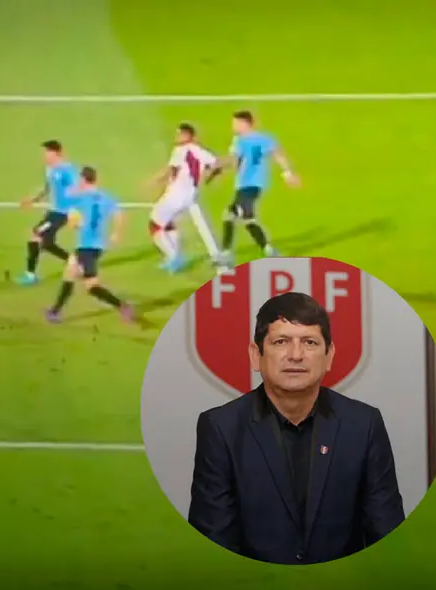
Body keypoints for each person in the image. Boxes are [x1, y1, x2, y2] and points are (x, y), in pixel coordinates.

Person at [187, 292, 404, 565]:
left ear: (329, 355)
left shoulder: (364, 424)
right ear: (256, 355)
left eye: (310, 342)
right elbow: (214, 544)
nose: (296, 355)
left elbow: (387, 536)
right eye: (281, 342)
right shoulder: (221, 429)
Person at [207, 111, 299, 272]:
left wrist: (215, 166)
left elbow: (234, 160)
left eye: (236, 123)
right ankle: (269, 250)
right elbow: (278, 155)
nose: (233, 127)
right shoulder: (265, 138)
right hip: (249, 184)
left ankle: (227, 253)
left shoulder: (240, 141)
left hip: (251, 184)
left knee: (231, 214)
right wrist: (287, 173)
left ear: (245, 123)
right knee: (247, 218)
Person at [45, 166, 134, 323]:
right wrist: (116, 233)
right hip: (97, 245)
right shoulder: (107, 197)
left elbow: (74, 221)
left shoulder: (80, 198)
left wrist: (75, 223)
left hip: (86, 246)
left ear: (83, 180)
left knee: (91, 286)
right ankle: (54, 311)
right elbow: (120, 215)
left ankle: (122, 306)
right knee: (70, 273)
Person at [147, 123, 221, 273]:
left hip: (176, 194)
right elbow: (216, 164)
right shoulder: (201, 150)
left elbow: (170, 170)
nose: (176, 137)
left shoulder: (181, 150)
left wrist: (153, 181)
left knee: (154, 225)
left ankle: (174, 257)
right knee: (169, 222)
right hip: (189, 196)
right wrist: (208, 178)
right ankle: (175, 256)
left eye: (179, 134)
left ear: (187, 136)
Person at [15, 140, 79, 285]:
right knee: (47, 243)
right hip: (53, 212)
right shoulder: (49, 169)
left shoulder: (67, 170)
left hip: (63, 213)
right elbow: (47, 188)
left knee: (36, 235)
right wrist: (32, 199)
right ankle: (73, 261)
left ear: (56, 153)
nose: (44, 155)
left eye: (47, 152)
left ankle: (30, 275)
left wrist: (75, 214)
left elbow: (77, 191)